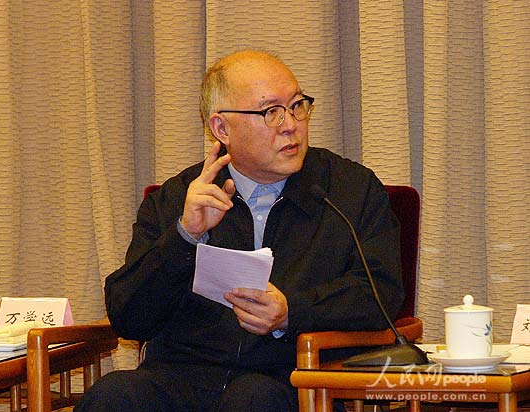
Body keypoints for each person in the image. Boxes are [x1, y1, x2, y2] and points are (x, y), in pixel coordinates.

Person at [75, 49, 404, 412]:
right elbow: (129, 316)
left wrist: (291, 311)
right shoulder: (178, 199)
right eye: (271, 112)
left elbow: (382, 291)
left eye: (297, 106)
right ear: (221, 128)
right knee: (113, 396)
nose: (291, 124)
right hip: (183, 376)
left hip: (288, 378)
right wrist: (184, 237)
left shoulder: (348, 191)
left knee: (253, 400)